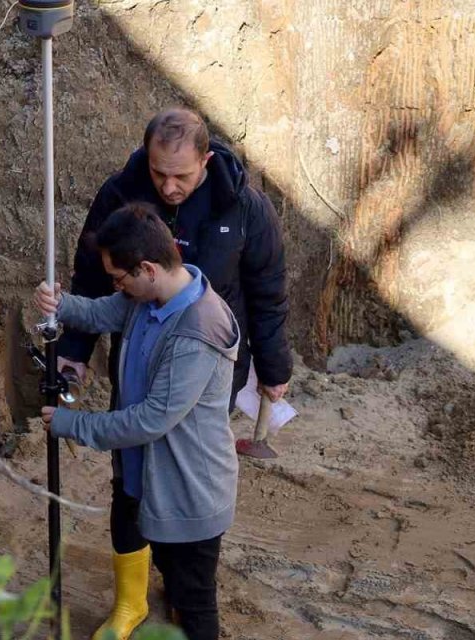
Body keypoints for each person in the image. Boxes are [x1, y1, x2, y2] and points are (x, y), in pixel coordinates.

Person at [56, 108, 292, 639]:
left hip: (203, 361)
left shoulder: (242, 207)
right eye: (159, 173)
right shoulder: (122, 197)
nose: (168, 186)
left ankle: (187, 587)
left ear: (206, 161)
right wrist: (71, 347)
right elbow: (96, 281)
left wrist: (273, 368)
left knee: (185, 467)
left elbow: (268, 291)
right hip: (140, 351)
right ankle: (131, 601)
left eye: (181, 176)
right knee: (132, 481)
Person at [37, 202, 239, 640]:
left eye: (118, 277)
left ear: (147, 268)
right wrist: (62, 304)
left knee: (193, 603)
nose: (117, 286)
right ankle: (135, 604)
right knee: (136, 533)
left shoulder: (197, 331)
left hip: (188, 492)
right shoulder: (146, 299)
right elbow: (102, 313)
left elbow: (150, 420)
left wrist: (72, 424)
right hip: (142, 473)